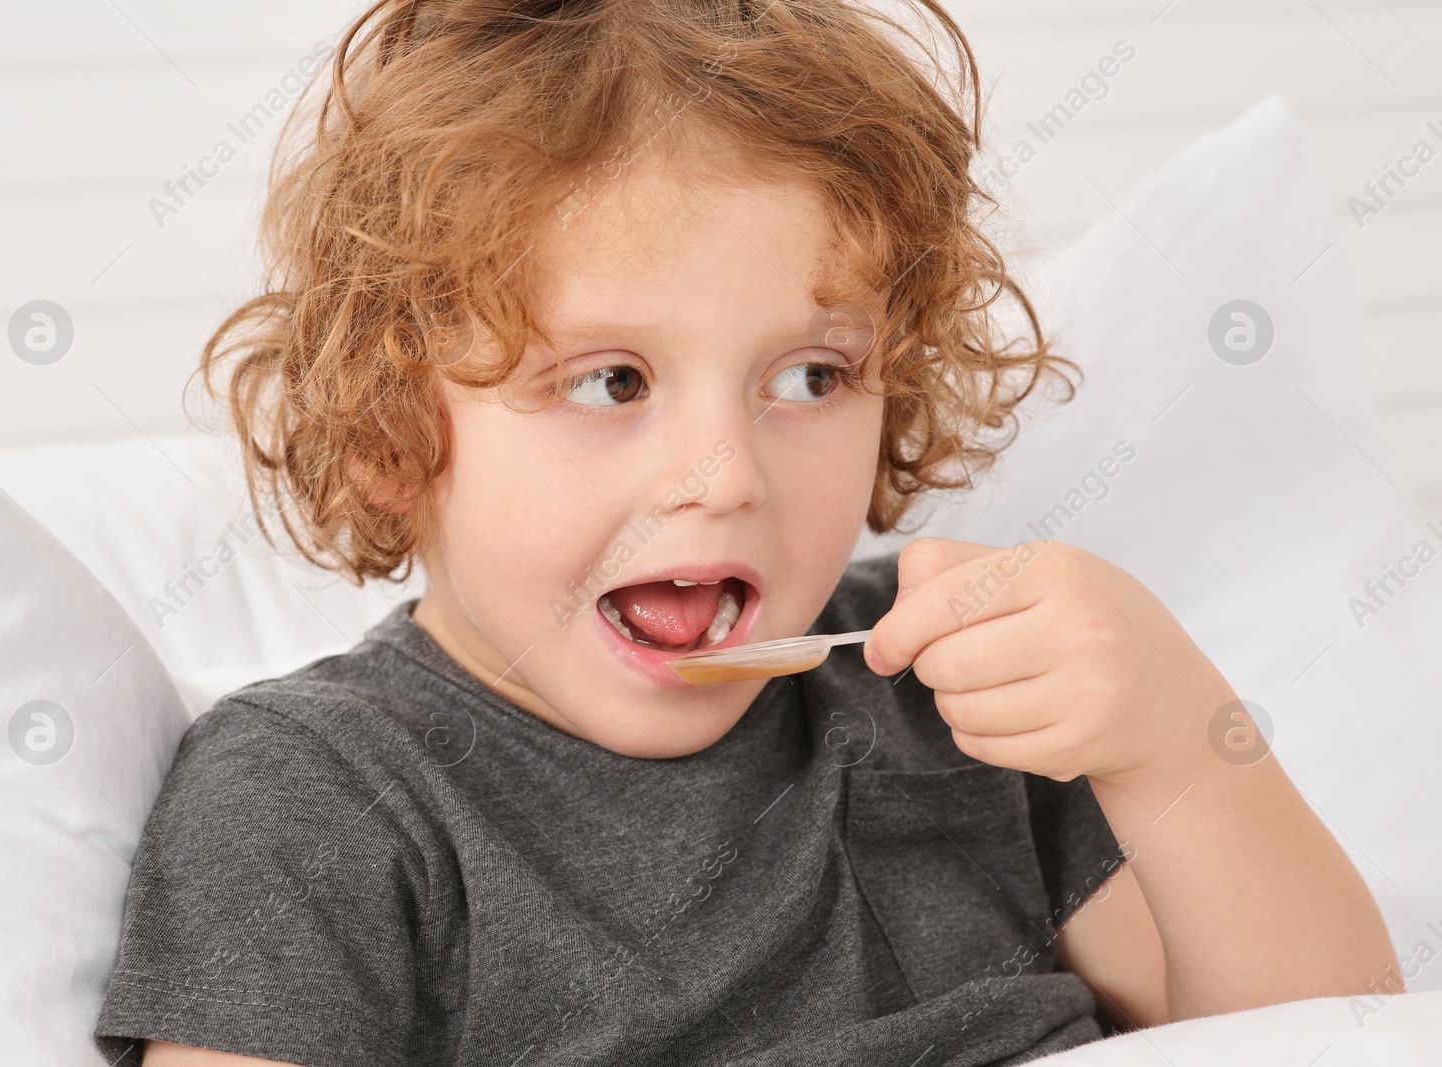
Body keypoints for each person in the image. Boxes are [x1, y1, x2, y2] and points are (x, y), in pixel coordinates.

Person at [95, 1, 1399, 1063]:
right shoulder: (315, 798)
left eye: (811, 379)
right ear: (390, 437)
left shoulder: (951, 697)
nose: (723, 479)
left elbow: (1316, 1036)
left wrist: (1176, 738)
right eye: (611, 382)